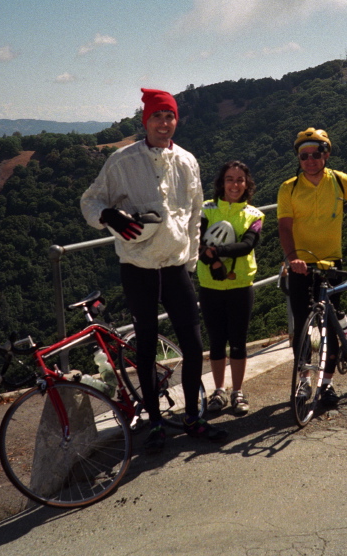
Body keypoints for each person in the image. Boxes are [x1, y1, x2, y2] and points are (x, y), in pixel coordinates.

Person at [80, 87, 227, 453]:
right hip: (139, 265)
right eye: (157, 117)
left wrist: (191, 261)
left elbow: (195, 216)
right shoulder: (121, 160)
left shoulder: (188, 161)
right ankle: (156, 423)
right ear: (145, 121)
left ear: (177, 120)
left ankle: (193, 416)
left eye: (170, 116)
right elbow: (90, 200)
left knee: (193, 347)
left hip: (176, 266)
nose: (164, 123)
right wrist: (106, 214)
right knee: (145, 345)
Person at [277, 127, 347, 408]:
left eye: (315, 154)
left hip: (331, 263)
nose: (309, 160)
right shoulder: (289, 188)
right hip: (301, 266)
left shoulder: (340, 181)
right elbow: (284, 227)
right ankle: (303, 382)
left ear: (326, 154)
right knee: (301, 328)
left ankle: (327, 384)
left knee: (330, 327)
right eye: (304, 155)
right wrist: (292, 257)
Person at [197, 161, 264, 415]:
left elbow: (247, 245)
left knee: (237, 342)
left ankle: (237, 391)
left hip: (240, 284)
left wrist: (216, 254)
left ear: (247, 185)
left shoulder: (255, 215)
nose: (234, 184)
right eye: (229, 179)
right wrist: (214, 261)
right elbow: (196, 240)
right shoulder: (206, 209)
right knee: (215, 341)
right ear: (221, 183)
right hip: (209, 285)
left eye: (239, 180)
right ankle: (219, 391)